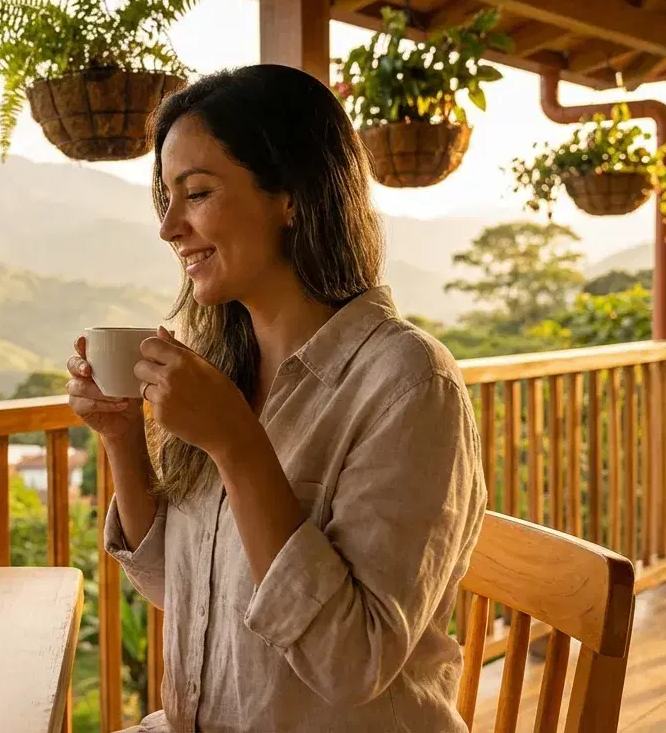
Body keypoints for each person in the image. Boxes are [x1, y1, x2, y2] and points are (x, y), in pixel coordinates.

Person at [66, 65, 486, 732]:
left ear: (290, 195)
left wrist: (237, 443)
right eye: (166, 200)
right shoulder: (230, 371)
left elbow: (353, 664)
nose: (170, 227)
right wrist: (122, 437)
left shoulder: (407, 383)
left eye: (196, 193)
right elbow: (180, 590)